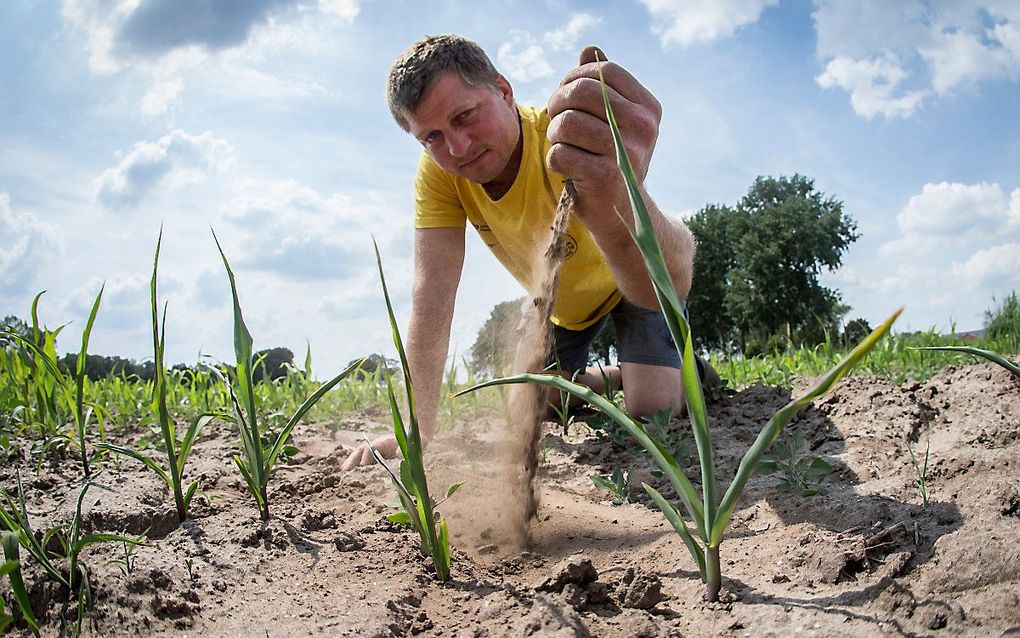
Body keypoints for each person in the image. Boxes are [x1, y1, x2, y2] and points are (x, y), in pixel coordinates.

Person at [342, 34, 700, 470]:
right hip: (562, 308)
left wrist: (620, 191)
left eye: (465, 115)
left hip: (629, 283)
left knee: (653, 414)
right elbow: (432, 290)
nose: (457, 147)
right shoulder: (440, 176)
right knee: (532, 406)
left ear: (504, 91)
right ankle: (618, 374)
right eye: (431, 137)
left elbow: (667, 281)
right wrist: (419, 426)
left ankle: (687, 372)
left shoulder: (567, 142)